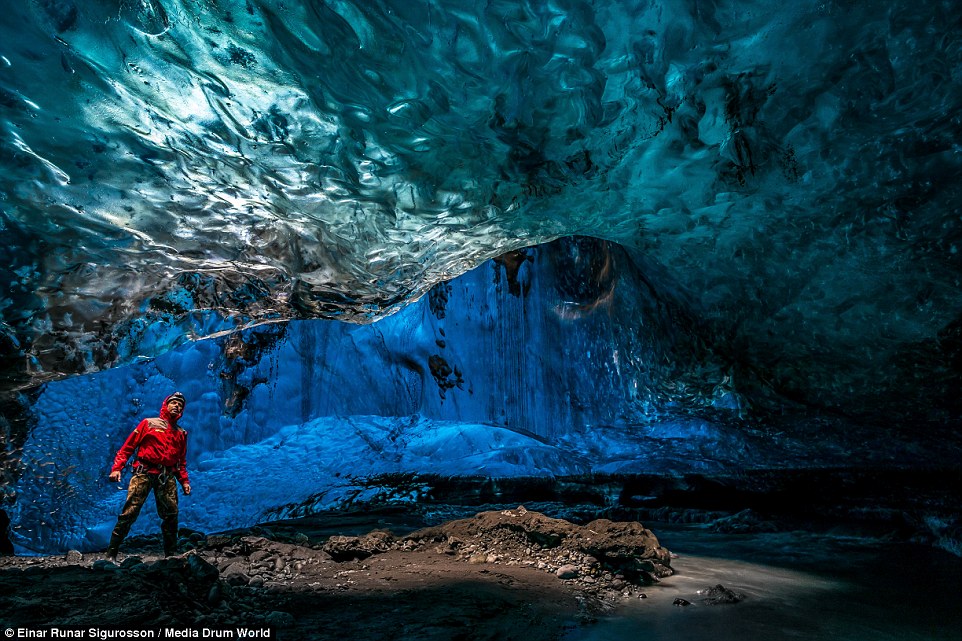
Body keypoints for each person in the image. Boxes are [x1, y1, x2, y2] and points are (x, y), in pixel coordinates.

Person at [105, 392, 191, 560]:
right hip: (143, 473)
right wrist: (117, 468)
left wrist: (184, 481)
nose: (177, 406)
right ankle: (111, 553)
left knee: (171, 514)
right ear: (166, 405)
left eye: (180, 405)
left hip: (166, 476)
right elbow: (127, 448)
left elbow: (181, 461)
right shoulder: (148, 423)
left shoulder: (181, 433)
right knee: (130, 512)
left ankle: (171, 554)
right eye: (174, 403)